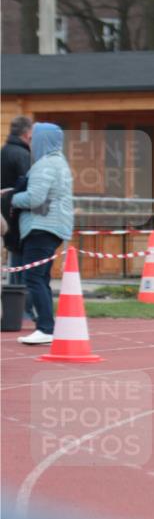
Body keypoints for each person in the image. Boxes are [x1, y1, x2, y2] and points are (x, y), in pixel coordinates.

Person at [11, 122, 74, 346]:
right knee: (41, 278)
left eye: (34, 137)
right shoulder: (59, 162)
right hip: (52, 227)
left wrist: (11, 199)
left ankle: (45, 328)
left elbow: (34, 199)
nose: (31, 142)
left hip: (41, 228)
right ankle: (47, 326)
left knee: (34, 278)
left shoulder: (45, 165)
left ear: (42, 140)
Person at [1, 116, 34, 313]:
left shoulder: (4, 151)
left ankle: (12, 306)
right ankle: (22, 309)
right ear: (26, 133)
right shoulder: (22, 155)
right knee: (22, 261)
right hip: (17, 213)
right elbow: (28, 184)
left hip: (4, 212)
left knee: (14, 259)